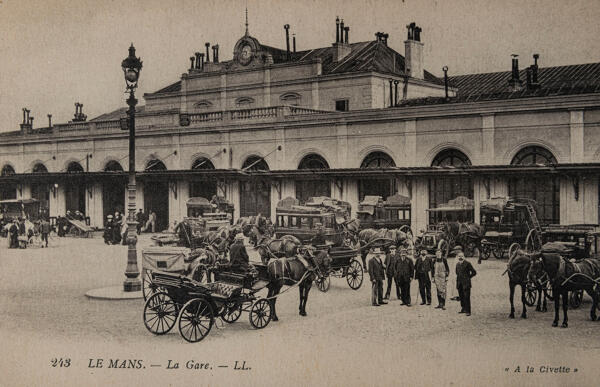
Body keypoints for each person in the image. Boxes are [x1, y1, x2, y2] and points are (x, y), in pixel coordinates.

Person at [455, 251, 477, 316]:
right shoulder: (457, 264)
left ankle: (468, 311)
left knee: (466, 297)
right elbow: (457, 273)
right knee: (461, 297)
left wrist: (468, 277)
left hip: (466, 284)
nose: (460, 257)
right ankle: (463, 308)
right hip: (459, 283)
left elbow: (474, 272)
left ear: (464, 257)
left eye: (461, 256)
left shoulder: (467, 263)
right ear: (457, 257)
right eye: (459, 256)